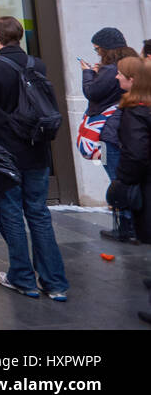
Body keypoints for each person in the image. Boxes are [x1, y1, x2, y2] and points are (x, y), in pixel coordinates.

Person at [0, 16, 69, 300]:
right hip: (37, 151)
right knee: (39, 214)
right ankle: (55, 282)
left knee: (11, 215)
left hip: (5, 154)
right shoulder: (36, 64)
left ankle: (23, 278)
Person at [82, 28, 138, 241]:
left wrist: (88, 73)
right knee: (127, 175)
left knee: (115, 176)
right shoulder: (133, 65)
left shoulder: (111, 70)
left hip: (107, 132)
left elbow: (92, 93)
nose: (98, 54)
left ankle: (126, 225)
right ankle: (132, 222)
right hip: (129, 131)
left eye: (98, 49)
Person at [108, 56, 151, 245]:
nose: (117, 77)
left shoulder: (135, 111)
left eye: (120, 74)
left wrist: (123, 180)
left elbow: (136, 152)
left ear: (132, 79)